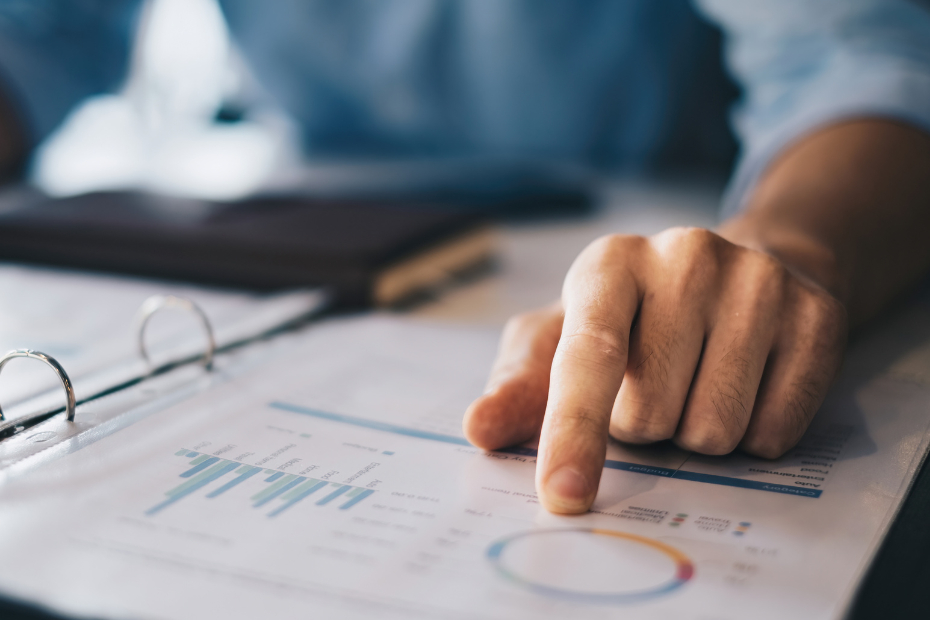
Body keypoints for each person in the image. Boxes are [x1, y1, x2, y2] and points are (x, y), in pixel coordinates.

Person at [1, 0, 930, 515]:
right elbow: (38, 34)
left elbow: (857, 56)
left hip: (664, 223)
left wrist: (789, 244)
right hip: (319, 227)